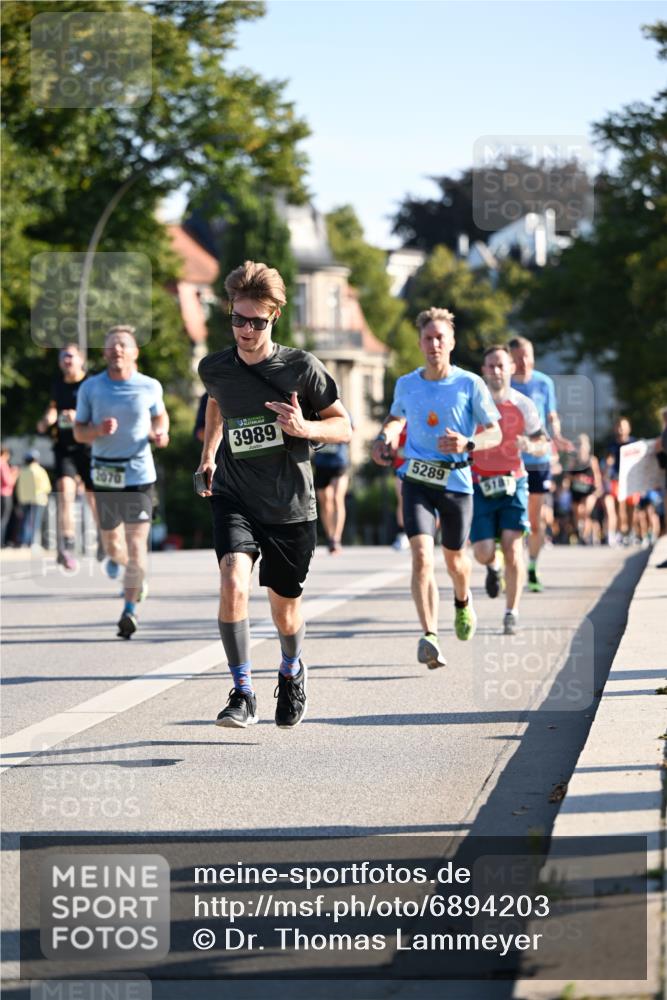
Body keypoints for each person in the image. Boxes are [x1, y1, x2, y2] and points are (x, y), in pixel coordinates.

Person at [196, 260, 351, 730]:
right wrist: (208, 455)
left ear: (274, 317)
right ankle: (242, 692)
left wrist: (305, 427)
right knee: (232, 581)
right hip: (235, 493)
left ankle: (291, 668)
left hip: (288, 504)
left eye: (256, 322)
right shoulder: (214, 367)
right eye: (238, 319)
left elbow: (345, 426)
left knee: (285, 611)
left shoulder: (302, 367)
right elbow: (216, 404)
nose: (245, 329)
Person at [371, 307, 501, 670]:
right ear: (420, 343)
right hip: (416, 480)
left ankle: (462, 600)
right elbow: (396, 418)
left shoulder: (470, 383)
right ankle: (429, 634)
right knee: (422, 557)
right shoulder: (407, 383)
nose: (434, 344)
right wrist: (385, 436)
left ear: (452, 342)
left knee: (456, 561)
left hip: (456, 482)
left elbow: (496, 432)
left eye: (440, 338)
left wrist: (467, 443)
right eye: (428, 338)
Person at [74, 325, 169, 639]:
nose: (117, 350)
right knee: (113, 545)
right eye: (111, 345)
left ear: (134, 353)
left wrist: (161, 432)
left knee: (136, 543)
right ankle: (128, 571)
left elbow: (160, 416)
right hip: (105, 472)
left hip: (140, 473)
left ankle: (129, 609)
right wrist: (97, 431)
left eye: (123, 345)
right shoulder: (90, 388)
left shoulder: (149, 386)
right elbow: (78, 432)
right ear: (104, 353)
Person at [470, 345, 548, 635]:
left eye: (501, 365)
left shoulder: (524, 404)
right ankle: (492, 567)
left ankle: (511, 612)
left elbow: (543, 443)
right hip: (479, 484)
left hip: (514, 481)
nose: (496, 371)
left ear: (511, 368)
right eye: (491, 365)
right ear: (483, 370)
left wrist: (530, 445)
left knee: (514, 547)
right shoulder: (474, 404)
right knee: (482, 551)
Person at [509, 336, 572, 591]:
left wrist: (555, 433)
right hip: (510, 460)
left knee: (536, 520)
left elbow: (551, 415)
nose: (524, 362)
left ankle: (532, 566)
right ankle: (509, 565)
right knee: (512, 518)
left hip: (538, 458)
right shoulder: (505, 385)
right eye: (518, 357)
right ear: (510, 360)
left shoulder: (544, 383)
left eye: (527, 356)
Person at [36, 343, 100, 570]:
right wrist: (47, 419)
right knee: (65, 491)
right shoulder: (58, 384)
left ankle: (105, 539)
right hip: (64, 448)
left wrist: (79, 418)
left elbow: (101, 413)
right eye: (63, 357)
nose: (67, 360)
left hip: (88, 447)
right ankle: (67, 545)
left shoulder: (91, 383)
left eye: (71, 356)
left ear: (81, 359)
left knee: (94, 498)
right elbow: (54, 407)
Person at [313, 425, 351, 554]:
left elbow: (350, 434)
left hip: (339, 463)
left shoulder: (343, 412)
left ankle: (336, 538)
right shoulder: (315, 414)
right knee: (325, 502)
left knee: (337, 498)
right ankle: (330, 536)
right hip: (321, 464)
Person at [564, 433, 603, 545]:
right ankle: (579, 531)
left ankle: (585, 536)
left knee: (586, 511)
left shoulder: (592, 460)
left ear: (587, 446)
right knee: (577, 512)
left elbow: (597, 476)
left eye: (583, 444)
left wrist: (597, 487)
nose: (581, 447)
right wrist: (576, 477)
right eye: (579, 444)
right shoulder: (573, 460)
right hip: (576, 490)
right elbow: (567, 476)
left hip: (589, 490)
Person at [15, 450, 52, 548]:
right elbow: (47, 487)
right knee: (36, 522)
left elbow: (19, 488)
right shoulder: (40, 470)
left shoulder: (23, 471)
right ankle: (34, 542)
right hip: (39, 500)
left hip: (25, 500)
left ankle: (24, 541)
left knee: (26, 521)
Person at [0, 447, 19, 546]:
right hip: (4, 495)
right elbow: (9, 482)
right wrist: (15, 474)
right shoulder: (3, 464)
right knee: (3, 519)